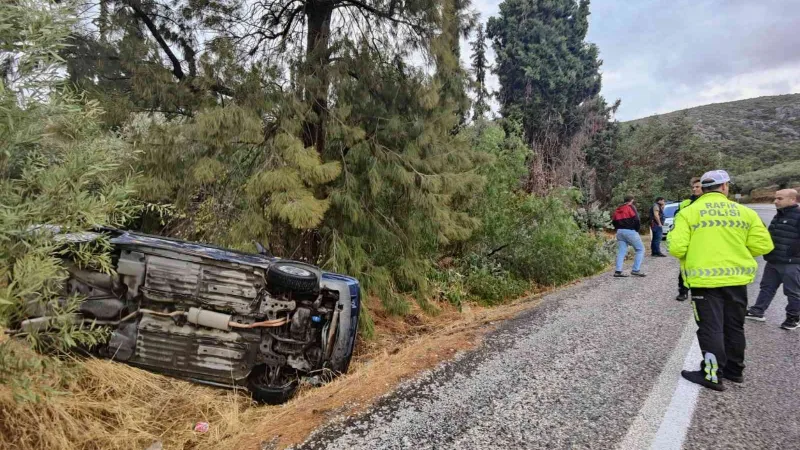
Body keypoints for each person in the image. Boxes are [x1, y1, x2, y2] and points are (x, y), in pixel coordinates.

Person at [668, 170, 773, 391]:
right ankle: (735, 371)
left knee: (710, 328)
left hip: (703, 282)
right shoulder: (745, 213)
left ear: (702, 188)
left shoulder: (688, 213)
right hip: (736, 280)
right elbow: (764, 246)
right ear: (725, 187)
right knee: (734, 326)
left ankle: (712, 374)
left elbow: (676, 247)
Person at [745, 189, 800, 330]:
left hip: (791, 263)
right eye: (775, 198)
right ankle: (758, 311)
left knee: (792, 292)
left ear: (793, 200)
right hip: (773, 260)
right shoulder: (779, 215)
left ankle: (793, 318)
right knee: (766, 287)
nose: (775, 201)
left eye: (780, 198)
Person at [675, 177, 704, 301]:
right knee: (685, 268)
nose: (694, 189)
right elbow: (677, 219)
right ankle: (683, 291)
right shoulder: (685, 203)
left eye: (697, 187)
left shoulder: (709, 204)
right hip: (690, 240)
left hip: (705, 239)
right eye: (693, 187)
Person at [611, 195, 646, 277]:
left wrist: (618, 228)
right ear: (632, 200)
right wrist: (636, 229)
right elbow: (637, 219)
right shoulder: (630, 207)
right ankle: (635, 270)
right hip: (630, 231)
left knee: (621, 251)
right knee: (640, 249)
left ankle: (618, 271)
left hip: (619, 231)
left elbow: (613, 221)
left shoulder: (618, 209)